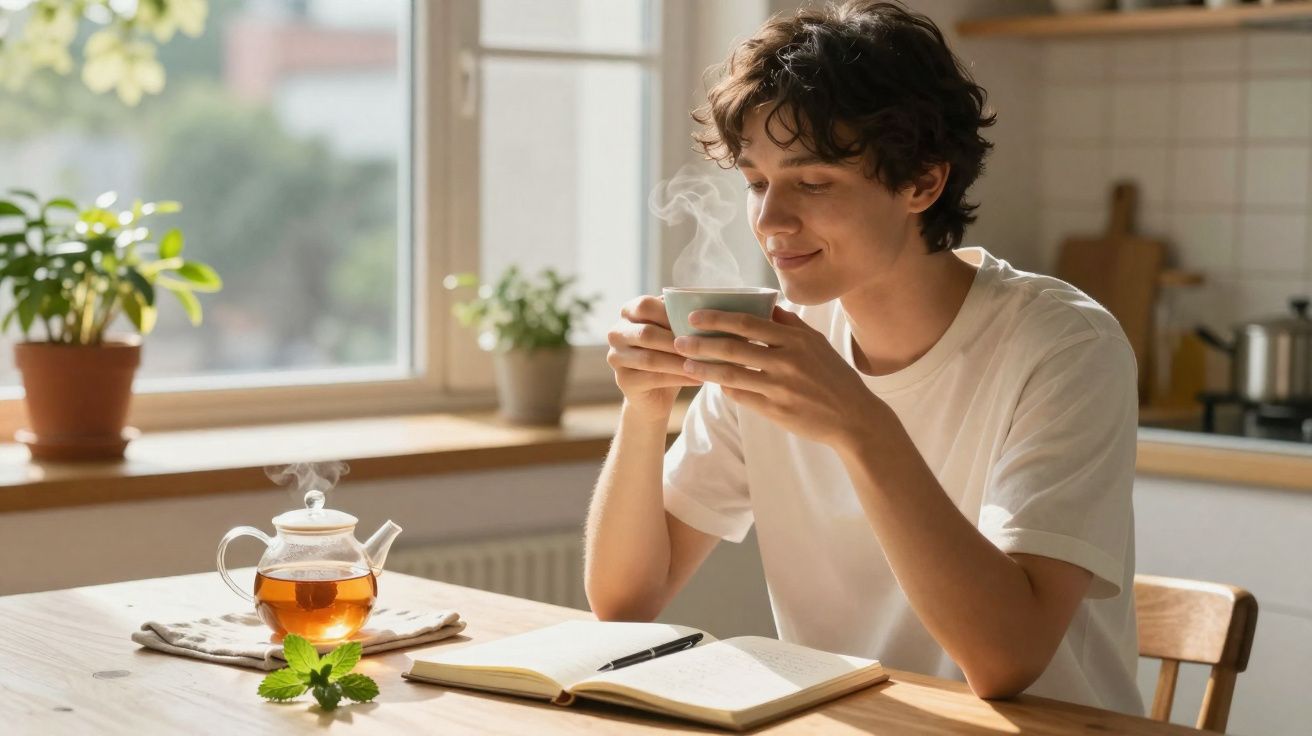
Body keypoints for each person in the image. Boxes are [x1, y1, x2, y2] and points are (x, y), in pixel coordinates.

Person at [583, 0, 1143, 715]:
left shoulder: (1065, 346)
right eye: (756, 181)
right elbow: (624, 601)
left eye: (812, 182)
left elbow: (1006, 661)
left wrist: (859, 424)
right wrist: (645, 407)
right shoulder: (778, 341)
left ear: (922, 183)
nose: (770, 221)